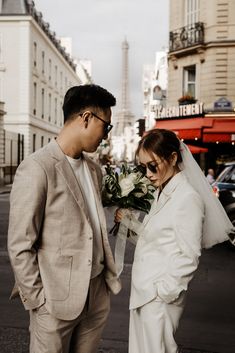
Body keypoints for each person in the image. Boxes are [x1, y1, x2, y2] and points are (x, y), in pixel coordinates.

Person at [8, 84, 121, 353]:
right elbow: (20, 244)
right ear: (86, 118)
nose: (106, 136)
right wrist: (39, 301)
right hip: (55, 302)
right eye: (106, 127)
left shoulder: (95, 169)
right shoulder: (37, 168)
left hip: (96, 295)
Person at [115, 129, 233, 353]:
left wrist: (163, 292)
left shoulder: (187, 197)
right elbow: (153, 239)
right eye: (143, 167)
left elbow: (189, 256)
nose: (148, 173)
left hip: (157, 299)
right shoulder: (162, 191)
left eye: (152, 165)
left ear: (172, 158)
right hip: (144, 293)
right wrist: (128, 224)